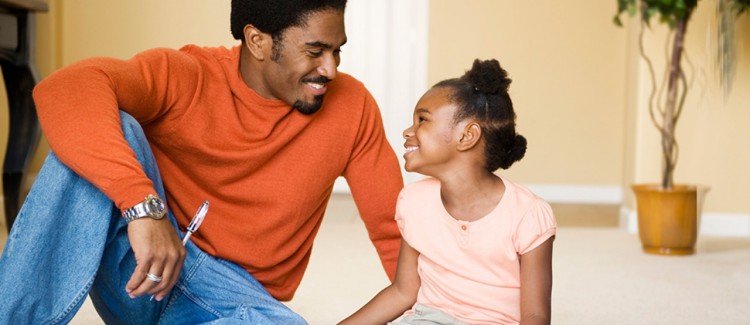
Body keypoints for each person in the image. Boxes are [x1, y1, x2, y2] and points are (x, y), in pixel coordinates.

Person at [0, 0, 403, 323]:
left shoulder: (353, 107)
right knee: (107, 125)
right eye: (315, 51)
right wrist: (144, 206)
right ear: (258, 41)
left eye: (337, 51)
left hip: (236, 299)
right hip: (145, 266)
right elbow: (65, 89)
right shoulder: (187, 75)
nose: (331, 68)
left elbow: (394, 232)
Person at [339, 59, 557, 325]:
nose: (408, 131)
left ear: (467, 136)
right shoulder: (414, 202)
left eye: (422, 120)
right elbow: (403, 292)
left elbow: (535, 316)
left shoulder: (527, 214)